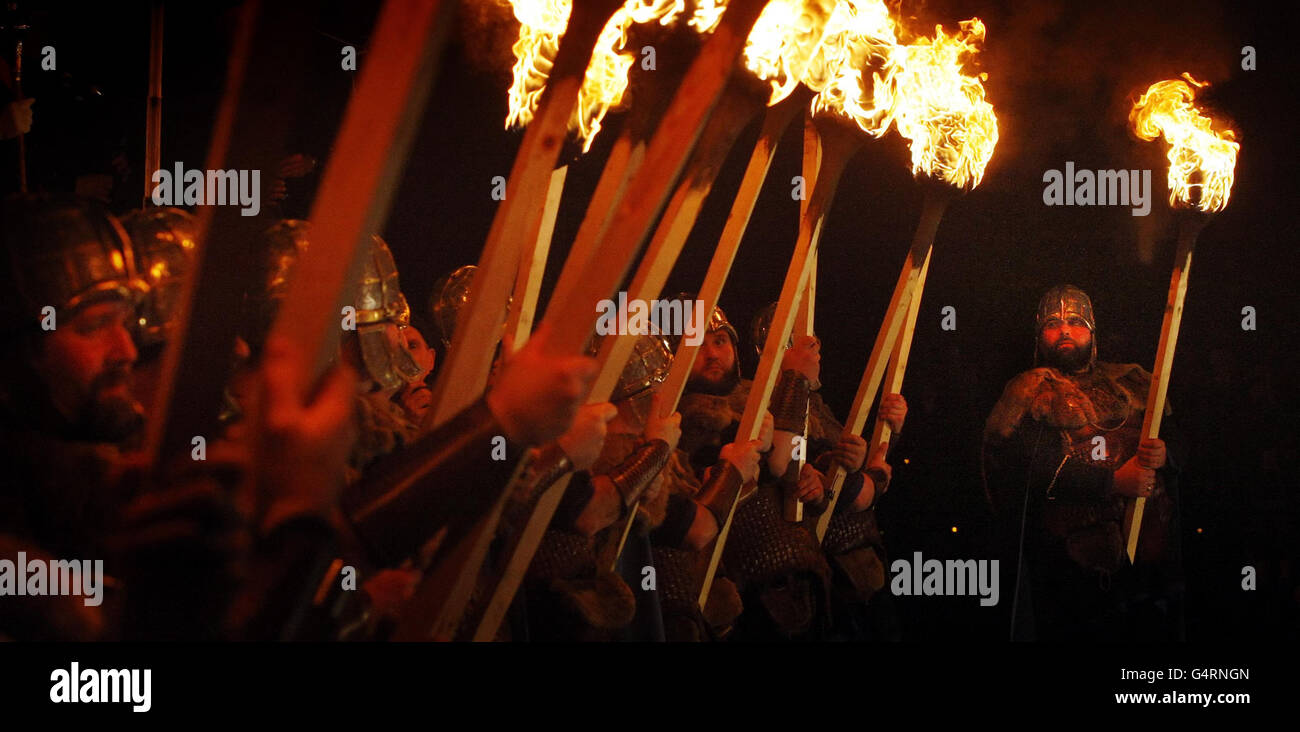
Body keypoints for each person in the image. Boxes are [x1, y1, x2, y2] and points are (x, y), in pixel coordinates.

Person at [982, 284, 1182, 641]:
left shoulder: (1132, 383)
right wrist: (1112, 483)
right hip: (1069, 566)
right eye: (1053, 323)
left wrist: (1164, 455)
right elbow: (1022, 468)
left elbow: (1185, 450)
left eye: (1075, 321)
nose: (1064, 331)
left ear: (1091, 329)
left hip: (1144, 557)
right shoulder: (1029, 390)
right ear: (1040, 332)